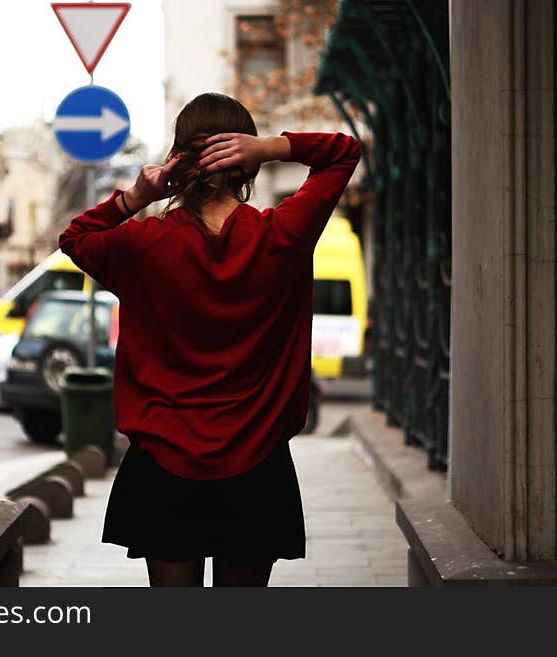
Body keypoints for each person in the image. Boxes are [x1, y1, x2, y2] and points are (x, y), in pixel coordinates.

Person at [58, 92, 361, 587]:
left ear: (180, 163)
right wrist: (270, 147)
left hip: (163, 464)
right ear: (246, 168)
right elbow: (343, 151)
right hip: (257, 462)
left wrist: (135, 198)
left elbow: (75, 238)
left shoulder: (143, 245)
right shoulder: (283, 235)